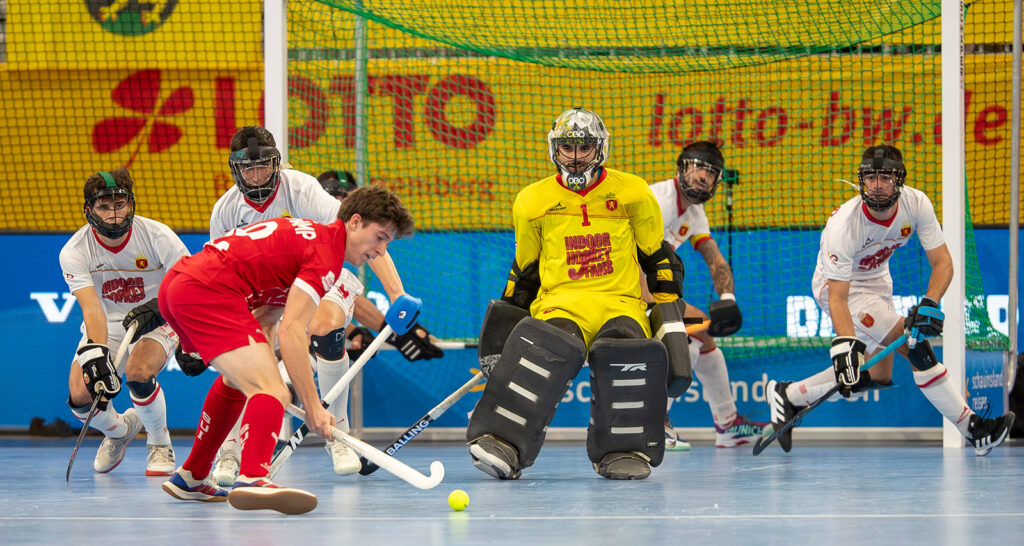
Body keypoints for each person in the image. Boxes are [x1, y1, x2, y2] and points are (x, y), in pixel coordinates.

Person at [148, 186, 415, 514]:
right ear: (355, 222)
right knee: (273, 390)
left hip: (181, 286)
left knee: (239, 382)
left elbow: (269, 316)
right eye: (380, 237)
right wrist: (314, 408)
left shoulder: (312, 240)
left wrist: (262, 357)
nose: (382, 250)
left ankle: (193, 475)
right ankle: (253, 477)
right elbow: (292, 332)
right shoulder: (326, 255)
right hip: (206, 290)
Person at [205, 128, 441, 484]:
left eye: (263, 167)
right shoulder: (224, 211)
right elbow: (223, 272)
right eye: (248, 169)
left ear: (276, 163)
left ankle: (338, 435)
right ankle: (231, 448)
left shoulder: (302, 189)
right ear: (236, 170)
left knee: (326, 325)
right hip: (263, 285)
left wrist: (397, 294)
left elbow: (364, 236)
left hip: (317, 270)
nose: (256, 177)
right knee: (249, 358)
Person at [466, 107, 691, 481]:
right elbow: (524, 272)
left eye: (584, 147)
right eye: (566, 147)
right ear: (554, 148)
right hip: (559, 303)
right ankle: (504, 442)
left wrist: (670, 321)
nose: (574, 157)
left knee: (627, 352)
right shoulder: (531, 200)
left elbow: (659, 261)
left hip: (621, 304)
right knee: (544, 348)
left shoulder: (633, 192)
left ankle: (622, 449)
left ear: (600, 149)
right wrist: (502, 333)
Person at [765, 144, 1015, 455]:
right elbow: (838, 297)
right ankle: (974, 429)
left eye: (885, 178)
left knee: (878, 375)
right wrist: (846, 346)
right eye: (871, 178)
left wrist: (930, 303)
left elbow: (943, 263)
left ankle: (787, 395)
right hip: (840, 288)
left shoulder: (916, 204)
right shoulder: (843, 226)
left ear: (899, 181)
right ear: (862, 180)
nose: (877, 185)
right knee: (915, 348)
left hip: (879, 280)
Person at [59, 167, 189, 476]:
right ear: (89, 210)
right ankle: (119, 432)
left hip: (158, 316)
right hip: (109, 323)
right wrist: (97, 352)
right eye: (104, 206)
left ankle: (160, 444)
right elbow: (92, 309)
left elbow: (188, 284)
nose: (115, 215)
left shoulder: (158, 236)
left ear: (131, 204)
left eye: (120, 204)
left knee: (138, 372)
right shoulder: (75, 251)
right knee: (80, 395)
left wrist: (161, 311)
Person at [648, 141, 766, 450]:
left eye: (711, 173)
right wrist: (659, 305)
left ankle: (728, 425)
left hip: (647, 287)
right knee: (687, 330)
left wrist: (727, 298)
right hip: (621, 285)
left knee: (703, 335)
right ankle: (654, 424)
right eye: (698, 167)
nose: (703, 176)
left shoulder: (694, 212)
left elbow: (715, 260)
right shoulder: (658, 201)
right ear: (682, 167)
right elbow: (629, 259)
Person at [317, 168, 443, 364]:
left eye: (343, 198)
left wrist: (357, 331)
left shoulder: (325, 255)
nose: (381, 251)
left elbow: (333, 294)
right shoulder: (311, 236)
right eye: (333, 198)